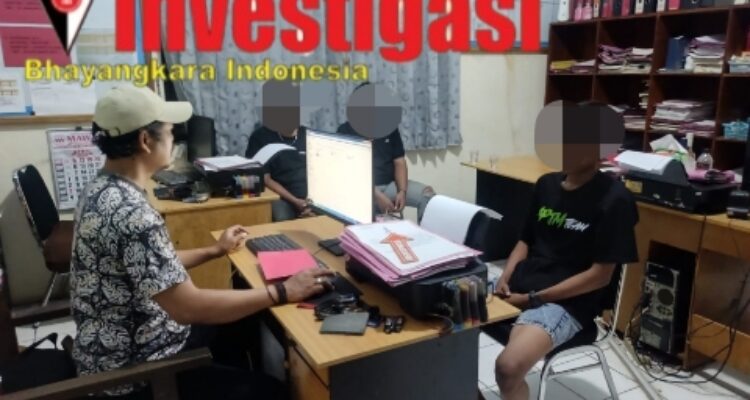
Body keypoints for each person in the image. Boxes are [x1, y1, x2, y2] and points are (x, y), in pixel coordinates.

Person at [71, 85, 333, 399]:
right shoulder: (131, 213)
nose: (173, 139)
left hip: (133, 343)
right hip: (137, 375)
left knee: (252, 322)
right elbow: (188, 307)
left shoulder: (102, 188)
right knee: (272, 391)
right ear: (144, 140)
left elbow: (152, 264)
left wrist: (215, 250)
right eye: (170, 132)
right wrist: (282, 291)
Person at [493, 105, 638, 400]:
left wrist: (533, 299)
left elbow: (600, 276)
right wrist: (505, 278)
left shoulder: (615, 200)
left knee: (508, 368)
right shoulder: (545, 185)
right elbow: (525, 240)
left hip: (567, 305)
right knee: (443, 318)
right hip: (522, 286)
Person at [337, 82, 435, 222]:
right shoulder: (344, 131)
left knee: (428, 195)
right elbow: (348, 172)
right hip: (361, 190)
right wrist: (376, 195)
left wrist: (402, 191)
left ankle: (423, 234)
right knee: (372, 219)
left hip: (389, 186)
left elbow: (399, 162)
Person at [245, 80, 310, 222]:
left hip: (310, 198)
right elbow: (265, 179)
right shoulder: (260, 137)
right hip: (282, 198)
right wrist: (296, 202)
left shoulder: (309, 135)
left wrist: (311, 204)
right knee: (280, 216)